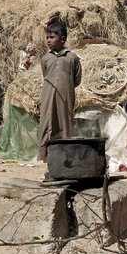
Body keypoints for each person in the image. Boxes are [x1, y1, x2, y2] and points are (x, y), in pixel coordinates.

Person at [37, 21, 82, 162]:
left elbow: (77, 80)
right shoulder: (45, 58)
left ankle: (65, 157)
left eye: (52, 37)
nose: (48, 41)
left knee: (65, 122)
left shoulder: (72, 58)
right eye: (47, 38)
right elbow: (46, 76)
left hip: (66, 97)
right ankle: (45, 156)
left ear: (62, 39)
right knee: (46, 122)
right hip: (48, 95)